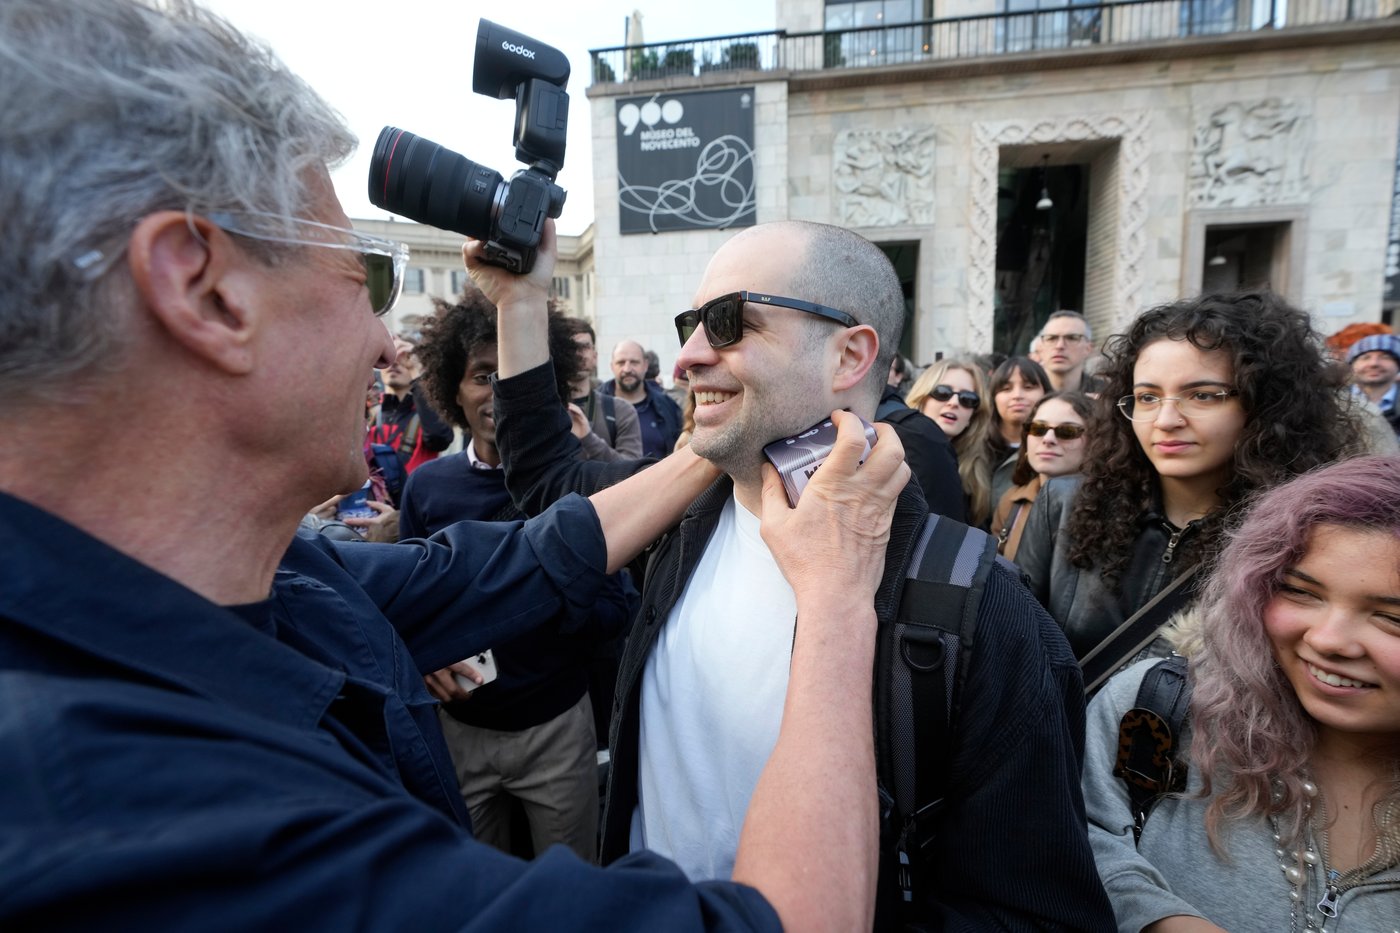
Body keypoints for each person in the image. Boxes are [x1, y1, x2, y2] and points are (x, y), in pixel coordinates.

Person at [0, 2, 913, 930]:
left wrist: (713, 440)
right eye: (368, 278)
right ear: (206, 289)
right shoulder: (148, 827)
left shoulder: (276, 572)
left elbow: (519, 558)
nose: (385, 347)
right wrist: (837, 606)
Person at [478, 219, 1116, 930]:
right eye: (689, 324)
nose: (686, 357)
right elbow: (544, 476)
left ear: (849, 355)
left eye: (726, 322)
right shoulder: (676, 522)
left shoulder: (984, 615)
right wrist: (520, 304)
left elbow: (1034, 914)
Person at [1082, 455, 1400, 932]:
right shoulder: (1157, 710)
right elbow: (1076, 832)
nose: (1329, 639)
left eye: (1391, 617)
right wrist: (1155, 917)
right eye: (1301, 591)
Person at [400, 291, 628, 862]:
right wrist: (426, 657)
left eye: (512, 375)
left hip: (556, 727)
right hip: (460, 732)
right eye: (482, 375)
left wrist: (553, 604)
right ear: (452, 388)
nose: (498, 391)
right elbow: (402, 602)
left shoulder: (579, 488)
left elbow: (618, 605)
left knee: (572, 893)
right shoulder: (428, 489)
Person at [1016, 291, 1359, 662]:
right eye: (1148, 397)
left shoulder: (1300, 539)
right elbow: (1011, 646)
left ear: (1265, 404)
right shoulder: (1064, 505)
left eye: (1203, 396)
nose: (1166, 421)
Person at [992, 391, 1092, 561]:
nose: (1048, 439)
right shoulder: (1011, 501)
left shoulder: (1112, 507)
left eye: (1067, 431)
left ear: (1097, 441)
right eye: (1038, 429)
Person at [905, 358, 994, 526]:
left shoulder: (977, 472)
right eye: (943, 392)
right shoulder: (895, 451)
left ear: (973, 415)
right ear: (922, 399)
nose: (954, 403)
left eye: (967, 398)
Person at [368, 333, 455, 473]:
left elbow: (439, 438)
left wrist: (416, 370)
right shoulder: (370, 412)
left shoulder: (427, 411)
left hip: (415, 493)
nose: (395, 362)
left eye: (404, 356)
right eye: (389, 357)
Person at [560, 316, 643, 461]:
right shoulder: (544, 409)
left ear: (595, 356)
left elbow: (632, 471)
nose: (578, 354)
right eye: (571, 347)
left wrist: (588, 438)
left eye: (584, 347)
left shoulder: (621, 410)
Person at [987, 355, 1052, 507]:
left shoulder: (1054, 444)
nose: (1017, 396)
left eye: (1028, 387)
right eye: (1006, 389)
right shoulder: (972, 447)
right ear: (993, 397)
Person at [603, 338, 682, 458]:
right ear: (612, 366)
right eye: (621, 363)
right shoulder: (595, 406)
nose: (627, 369)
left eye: (634, 362)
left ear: (645, 365)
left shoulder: (668, 406)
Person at [1346, 332, 1400, 437]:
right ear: (1352, 365)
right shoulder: (1331, 401)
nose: (1374, 363)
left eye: (1385, 357)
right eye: (1365, 357)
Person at [1039, 310, 1099, 393]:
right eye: (1051, 338)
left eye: (1072, 338)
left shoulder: (1107, 395)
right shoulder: (1021, 395)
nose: (1059, 346)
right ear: (1040, 348)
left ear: (1088, 348)